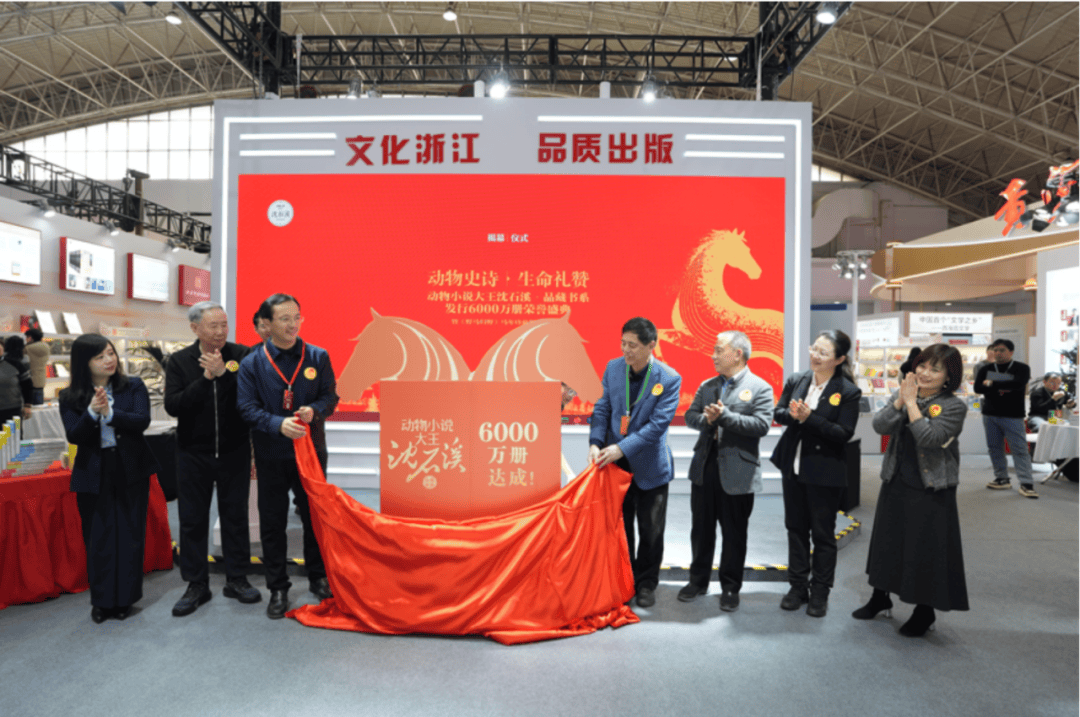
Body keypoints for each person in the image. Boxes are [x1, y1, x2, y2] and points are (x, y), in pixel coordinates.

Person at [238, 293, 339, 619]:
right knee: (273, 521)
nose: (293, 324)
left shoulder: (317, 356)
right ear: (267, 324)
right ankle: (278, 588)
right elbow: (246, 408)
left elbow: (331, 397)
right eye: (284, 319)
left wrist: (315, 410)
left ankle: (318, 576)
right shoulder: (253, 363)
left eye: (297, 317)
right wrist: (277, 424)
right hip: (271, 452)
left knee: (315, 517)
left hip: (311, 453)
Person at [857, 344, 969, 637]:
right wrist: (900, 401)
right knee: (887, 542)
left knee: (926, 548)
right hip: (896, 479)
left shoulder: (953, 406)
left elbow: (930, 438)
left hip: (931, 487)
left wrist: (910, 404)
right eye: (922, 366)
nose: (925, 373)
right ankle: (879, 597)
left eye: (935, 369)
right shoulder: (905, 393)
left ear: (948, 376)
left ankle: (924, 611)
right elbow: (880, 426)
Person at [164, 301, 260, 617]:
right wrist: (206, 379)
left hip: (234, 451)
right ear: (195, 328)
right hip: (193, 454)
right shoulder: (180, 361)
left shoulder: (242, 355)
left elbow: (250, 399)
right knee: (192, 520)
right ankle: (196, 584)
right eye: (213, 326)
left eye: (224, 325)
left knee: (235, 517)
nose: (220, 332)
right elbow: (174, 405)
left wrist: (224, 375)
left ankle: (237, 579)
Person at [59, 334, 159, 623]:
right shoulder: (69, 396)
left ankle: (125, 599)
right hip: (94, 470)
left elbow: (142, 421)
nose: (109, 360)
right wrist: (92, 412)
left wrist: (111, 413)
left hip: (130, 466)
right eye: (100, 356)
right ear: (84, 363)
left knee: (130, 534)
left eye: (111, 353)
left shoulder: (133, 386)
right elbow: (74, 435)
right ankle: (102, 601)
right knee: (98, 536)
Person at [589, 317, 681, 609]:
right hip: (617, 467)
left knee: (651, 531)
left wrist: (621, 448)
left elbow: (656, 427)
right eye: (623, 343)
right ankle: (625, 580)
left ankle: (647, 583)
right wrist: (595, 442)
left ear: (651, 345)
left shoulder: (668, 378)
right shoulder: (613, 368)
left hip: (651, 468)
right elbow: (603, 408)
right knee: (621, 527)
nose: (626, 350)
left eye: (633, 345)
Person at [770, 330, 861, 617]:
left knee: (822, 535)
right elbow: (778, 412)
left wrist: (810, 418)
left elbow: (843, 433)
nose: (815, 356)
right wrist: (792, 415)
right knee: (795, 529)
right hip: (793, 467)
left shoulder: (848, 391)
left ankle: (820, 591)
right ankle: (797, 587)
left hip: (824, 470)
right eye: (814, 349)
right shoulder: (798, 379)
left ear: (839, 359)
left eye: (823, 353)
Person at [680, 330, 773, 612]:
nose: (713, 356)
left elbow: (762, 425)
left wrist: (726, 417)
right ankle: (697, 581)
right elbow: (690, 416)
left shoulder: (760, 387)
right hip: (705, 467)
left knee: (734, 533)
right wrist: (707, 421)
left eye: (719, 350)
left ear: (737, 354)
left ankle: (730, 588)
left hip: (739, 472)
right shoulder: (707, 385)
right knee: (701, 529)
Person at [974, 338, 1036, 498]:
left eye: (1001, 350)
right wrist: (1005, 382)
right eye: (995, 350)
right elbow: (978, 388)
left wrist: (991, 382)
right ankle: (1001, 478)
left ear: (1011, 352)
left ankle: (1026, 483)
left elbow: (1018, 384)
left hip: (1013, 415)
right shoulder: (985, 368)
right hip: (990, 414)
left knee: (1019, 449)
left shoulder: (1022, 368)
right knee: (994, 448)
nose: (998, 353)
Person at [0, 336, 33, 427]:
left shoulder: (15, 364)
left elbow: (27, 385)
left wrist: (27, 405)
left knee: (15, 434)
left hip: (13, 410)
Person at [24, 327, 49, 405]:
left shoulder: (27, 348)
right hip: (41, 382)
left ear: (30, 337)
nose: (26, 339)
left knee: (28, 407)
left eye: (27, 337)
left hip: (29, 382)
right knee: (39, 407)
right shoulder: (46, 347)